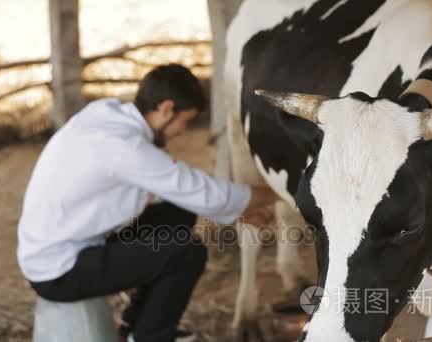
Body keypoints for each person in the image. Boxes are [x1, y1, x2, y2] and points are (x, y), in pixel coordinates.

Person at [16, 64, 275, 342]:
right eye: (184, 122)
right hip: (60, 269)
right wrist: (282, 191)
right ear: (166, 108)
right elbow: (201, 190)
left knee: (179, 210)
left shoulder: (107, 113)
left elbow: (176, 191)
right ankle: (150, 337)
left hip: (64, 243)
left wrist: (237, 213)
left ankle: (133, 326)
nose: (181, 131)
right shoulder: (126, 147)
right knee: (186, 253)